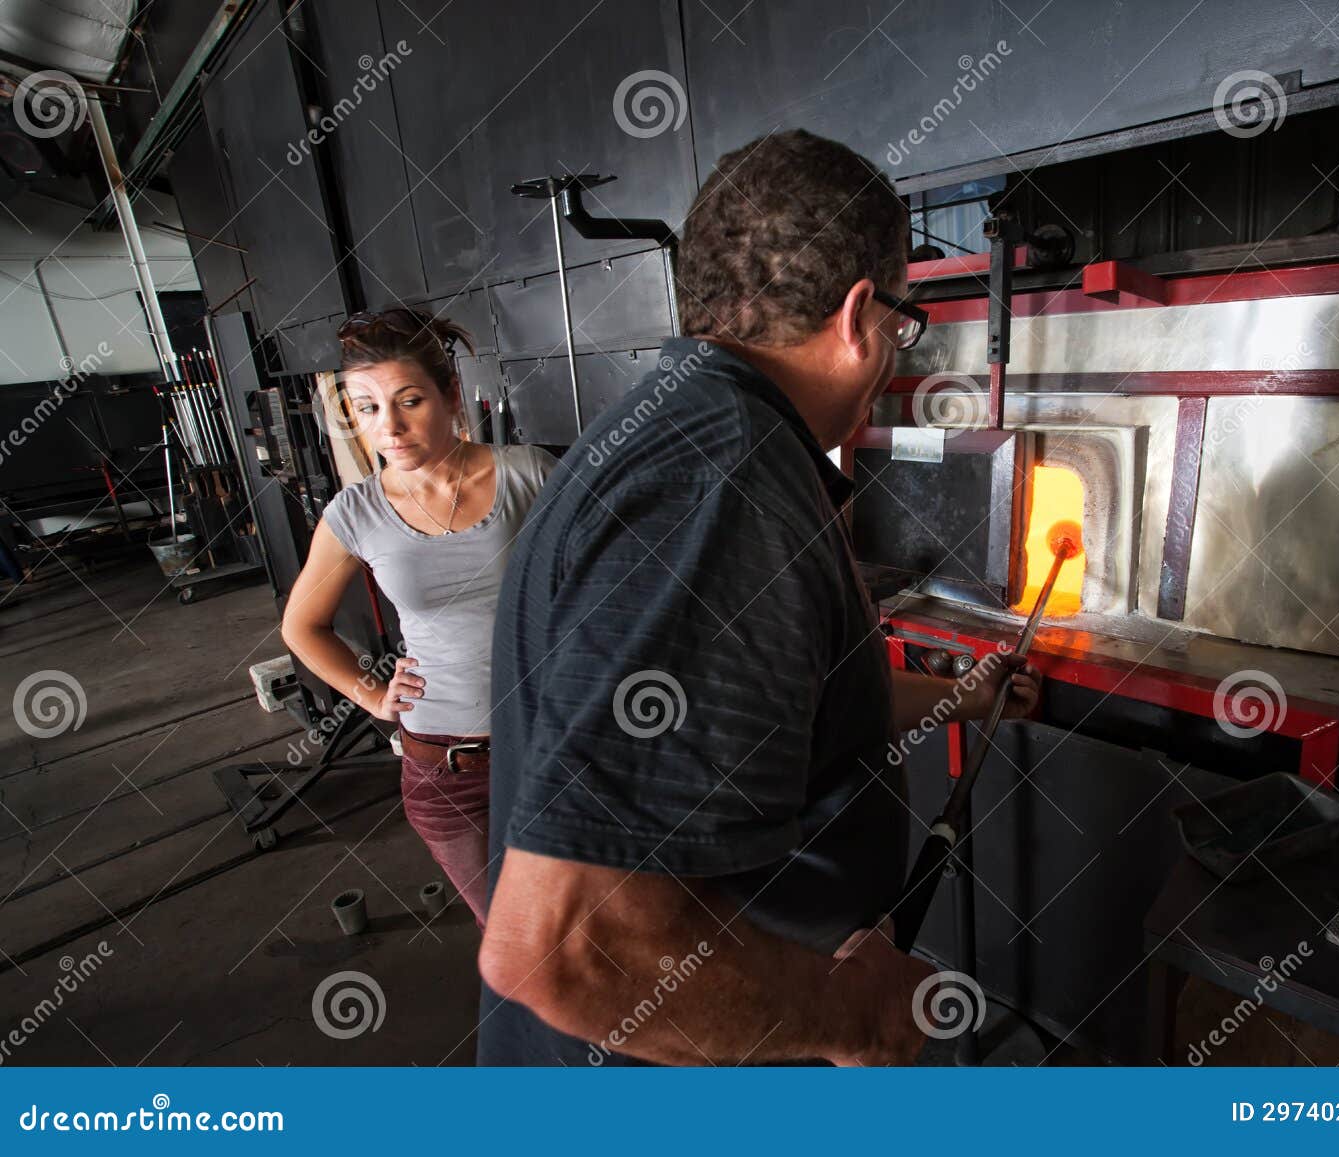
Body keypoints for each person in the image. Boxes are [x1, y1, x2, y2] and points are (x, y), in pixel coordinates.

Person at [477, 129, 1041, 1065]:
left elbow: (796, 717)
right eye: (904, 327)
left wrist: (965, 692)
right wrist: (852, 1016)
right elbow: (569, 949)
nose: (896, 360)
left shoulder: (678, 430)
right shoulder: (724, 488)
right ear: (860, 315)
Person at [281, 307, 555, 925]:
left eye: (409, 401)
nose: (391, 428)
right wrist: (372, 695)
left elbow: (608, 583)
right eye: (368, 408)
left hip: (546, 752)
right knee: (513, 947)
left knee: (591, 928)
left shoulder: (525, 473)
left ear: (451, 394)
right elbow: (302, 625)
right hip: (443, 773)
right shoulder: (354, 514)